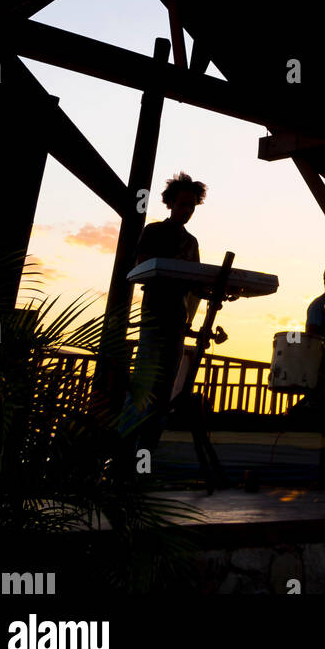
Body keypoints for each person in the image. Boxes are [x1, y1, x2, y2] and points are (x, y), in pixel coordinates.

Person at [121, 172, 207, 453]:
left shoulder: (192, 241)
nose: (187, 211)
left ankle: (145, 458)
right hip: (155, 313)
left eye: (192, 207)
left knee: (164, 389)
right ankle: (121, 455)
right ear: (170, 203)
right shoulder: (154, 231)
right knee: (143, 383)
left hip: (177, 319)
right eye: (183, 205)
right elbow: (143, 266)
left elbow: (195, 283)